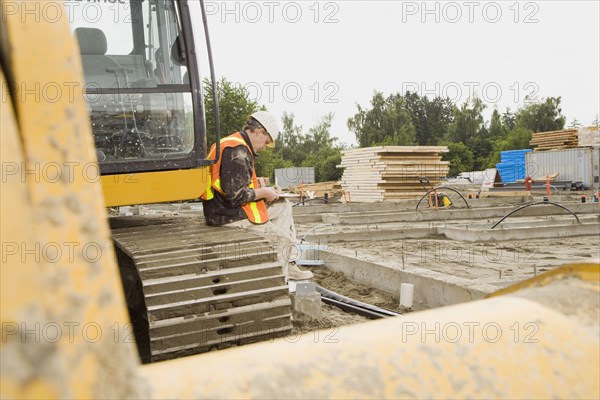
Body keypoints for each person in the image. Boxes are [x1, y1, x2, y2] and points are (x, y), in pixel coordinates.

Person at [201, 111, 313, 281]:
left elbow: (231, 183)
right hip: (228, 216)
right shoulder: (237, 151)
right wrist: (264, 193)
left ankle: (289, 265)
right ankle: (279, 283)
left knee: (283, 206)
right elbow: (235, 196)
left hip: (220, 209)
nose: (264, 147)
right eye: (266, 142)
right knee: (282, 241)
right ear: (259, 131)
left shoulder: (229, 143)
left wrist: (260, 187)